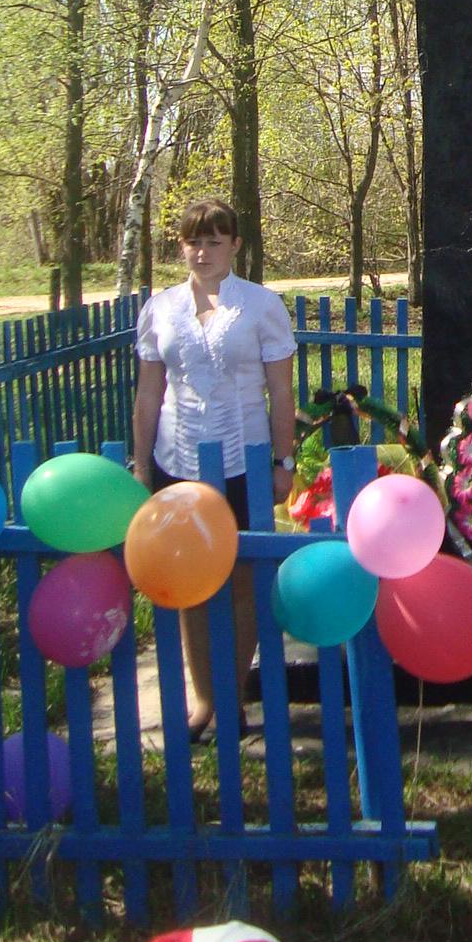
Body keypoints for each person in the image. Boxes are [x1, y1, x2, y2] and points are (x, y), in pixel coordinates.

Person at [131, 198, 298, 740]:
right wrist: (140, 465)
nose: (202, 253)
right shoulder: (160, 308)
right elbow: (149, 392)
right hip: (176, 462)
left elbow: (279, 390)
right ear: (181, 246)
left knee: (242, 582)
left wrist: (283, 459)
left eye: (214, 241)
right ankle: (203, 701)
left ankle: (232, 698)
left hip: (242, 459)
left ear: (235, 247)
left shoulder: (262, 306)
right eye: (193, 242)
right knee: (189, 585)